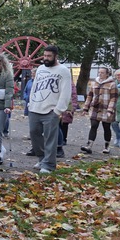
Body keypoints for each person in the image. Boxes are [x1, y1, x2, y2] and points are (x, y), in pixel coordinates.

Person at [28, 45, 72, 173]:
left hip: (51, 110)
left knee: (50, 138)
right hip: (35, 108)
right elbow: (35, 87)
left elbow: (65, 91)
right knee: (34, 133)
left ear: (56, 56)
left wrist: (58, 110)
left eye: (49, 56)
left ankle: (49, 164)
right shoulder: (41, 69)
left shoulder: (63, 71)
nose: (46, 59)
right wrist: (31, 103)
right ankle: (42, 158)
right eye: (44, 56)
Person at [80, 67, 118, 154]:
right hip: (95, 108)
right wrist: (85, 108)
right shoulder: (94, 83)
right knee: (93, 125)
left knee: (106, 127)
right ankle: (89, 146)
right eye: (99, 72)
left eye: (102, 73)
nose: (100, 74)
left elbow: (113, 99)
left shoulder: (112, 84)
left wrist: (110, 110)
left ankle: (106, 146)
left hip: (106, 108)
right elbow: (90, 96)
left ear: (107, 74)